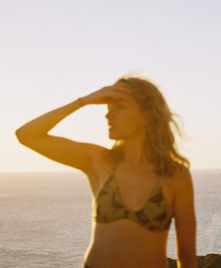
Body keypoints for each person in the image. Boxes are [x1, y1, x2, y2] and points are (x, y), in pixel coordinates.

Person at [15, 75, 197, 268]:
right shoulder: (98, 160)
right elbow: (27, 135)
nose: (108, 116)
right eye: (108, 109)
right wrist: (84, 101)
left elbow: (186, 258)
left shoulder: (175, 174)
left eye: (119, 107)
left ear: (146, 115)